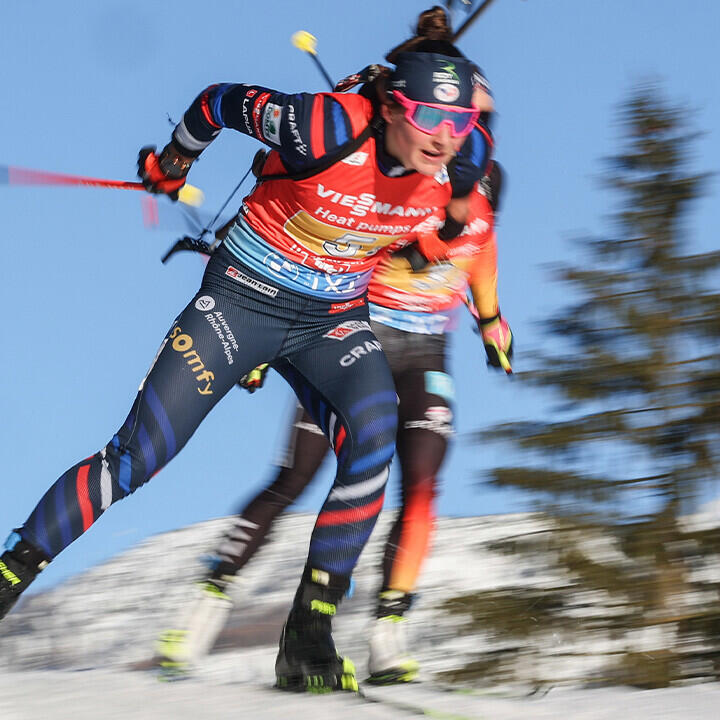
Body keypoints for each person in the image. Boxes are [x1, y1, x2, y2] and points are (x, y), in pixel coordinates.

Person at [0, 8, 492, 694]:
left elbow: (453, 216)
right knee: (139, 457)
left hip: (332, 319)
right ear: (389, 107)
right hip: (242, 303)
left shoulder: (464, 162)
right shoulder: (322, 126)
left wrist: (449, 261)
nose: (445, 138)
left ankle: (308, 637)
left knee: (374, 440)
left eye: (461, 121)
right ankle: (11, 572)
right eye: (428, 119)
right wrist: (175, 160)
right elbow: (217, 102)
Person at [156, 162, 512, 685]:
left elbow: (488, 305)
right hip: (351, 346)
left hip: (424, 361)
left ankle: (387, 631)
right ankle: (205, 602)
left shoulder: (481, 237)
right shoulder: (403, 209)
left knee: (421, 487)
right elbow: (315, 241)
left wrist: (496, 338)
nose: (463, 221)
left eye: (477, 216)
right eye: (456, 210)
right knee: (295, 478)